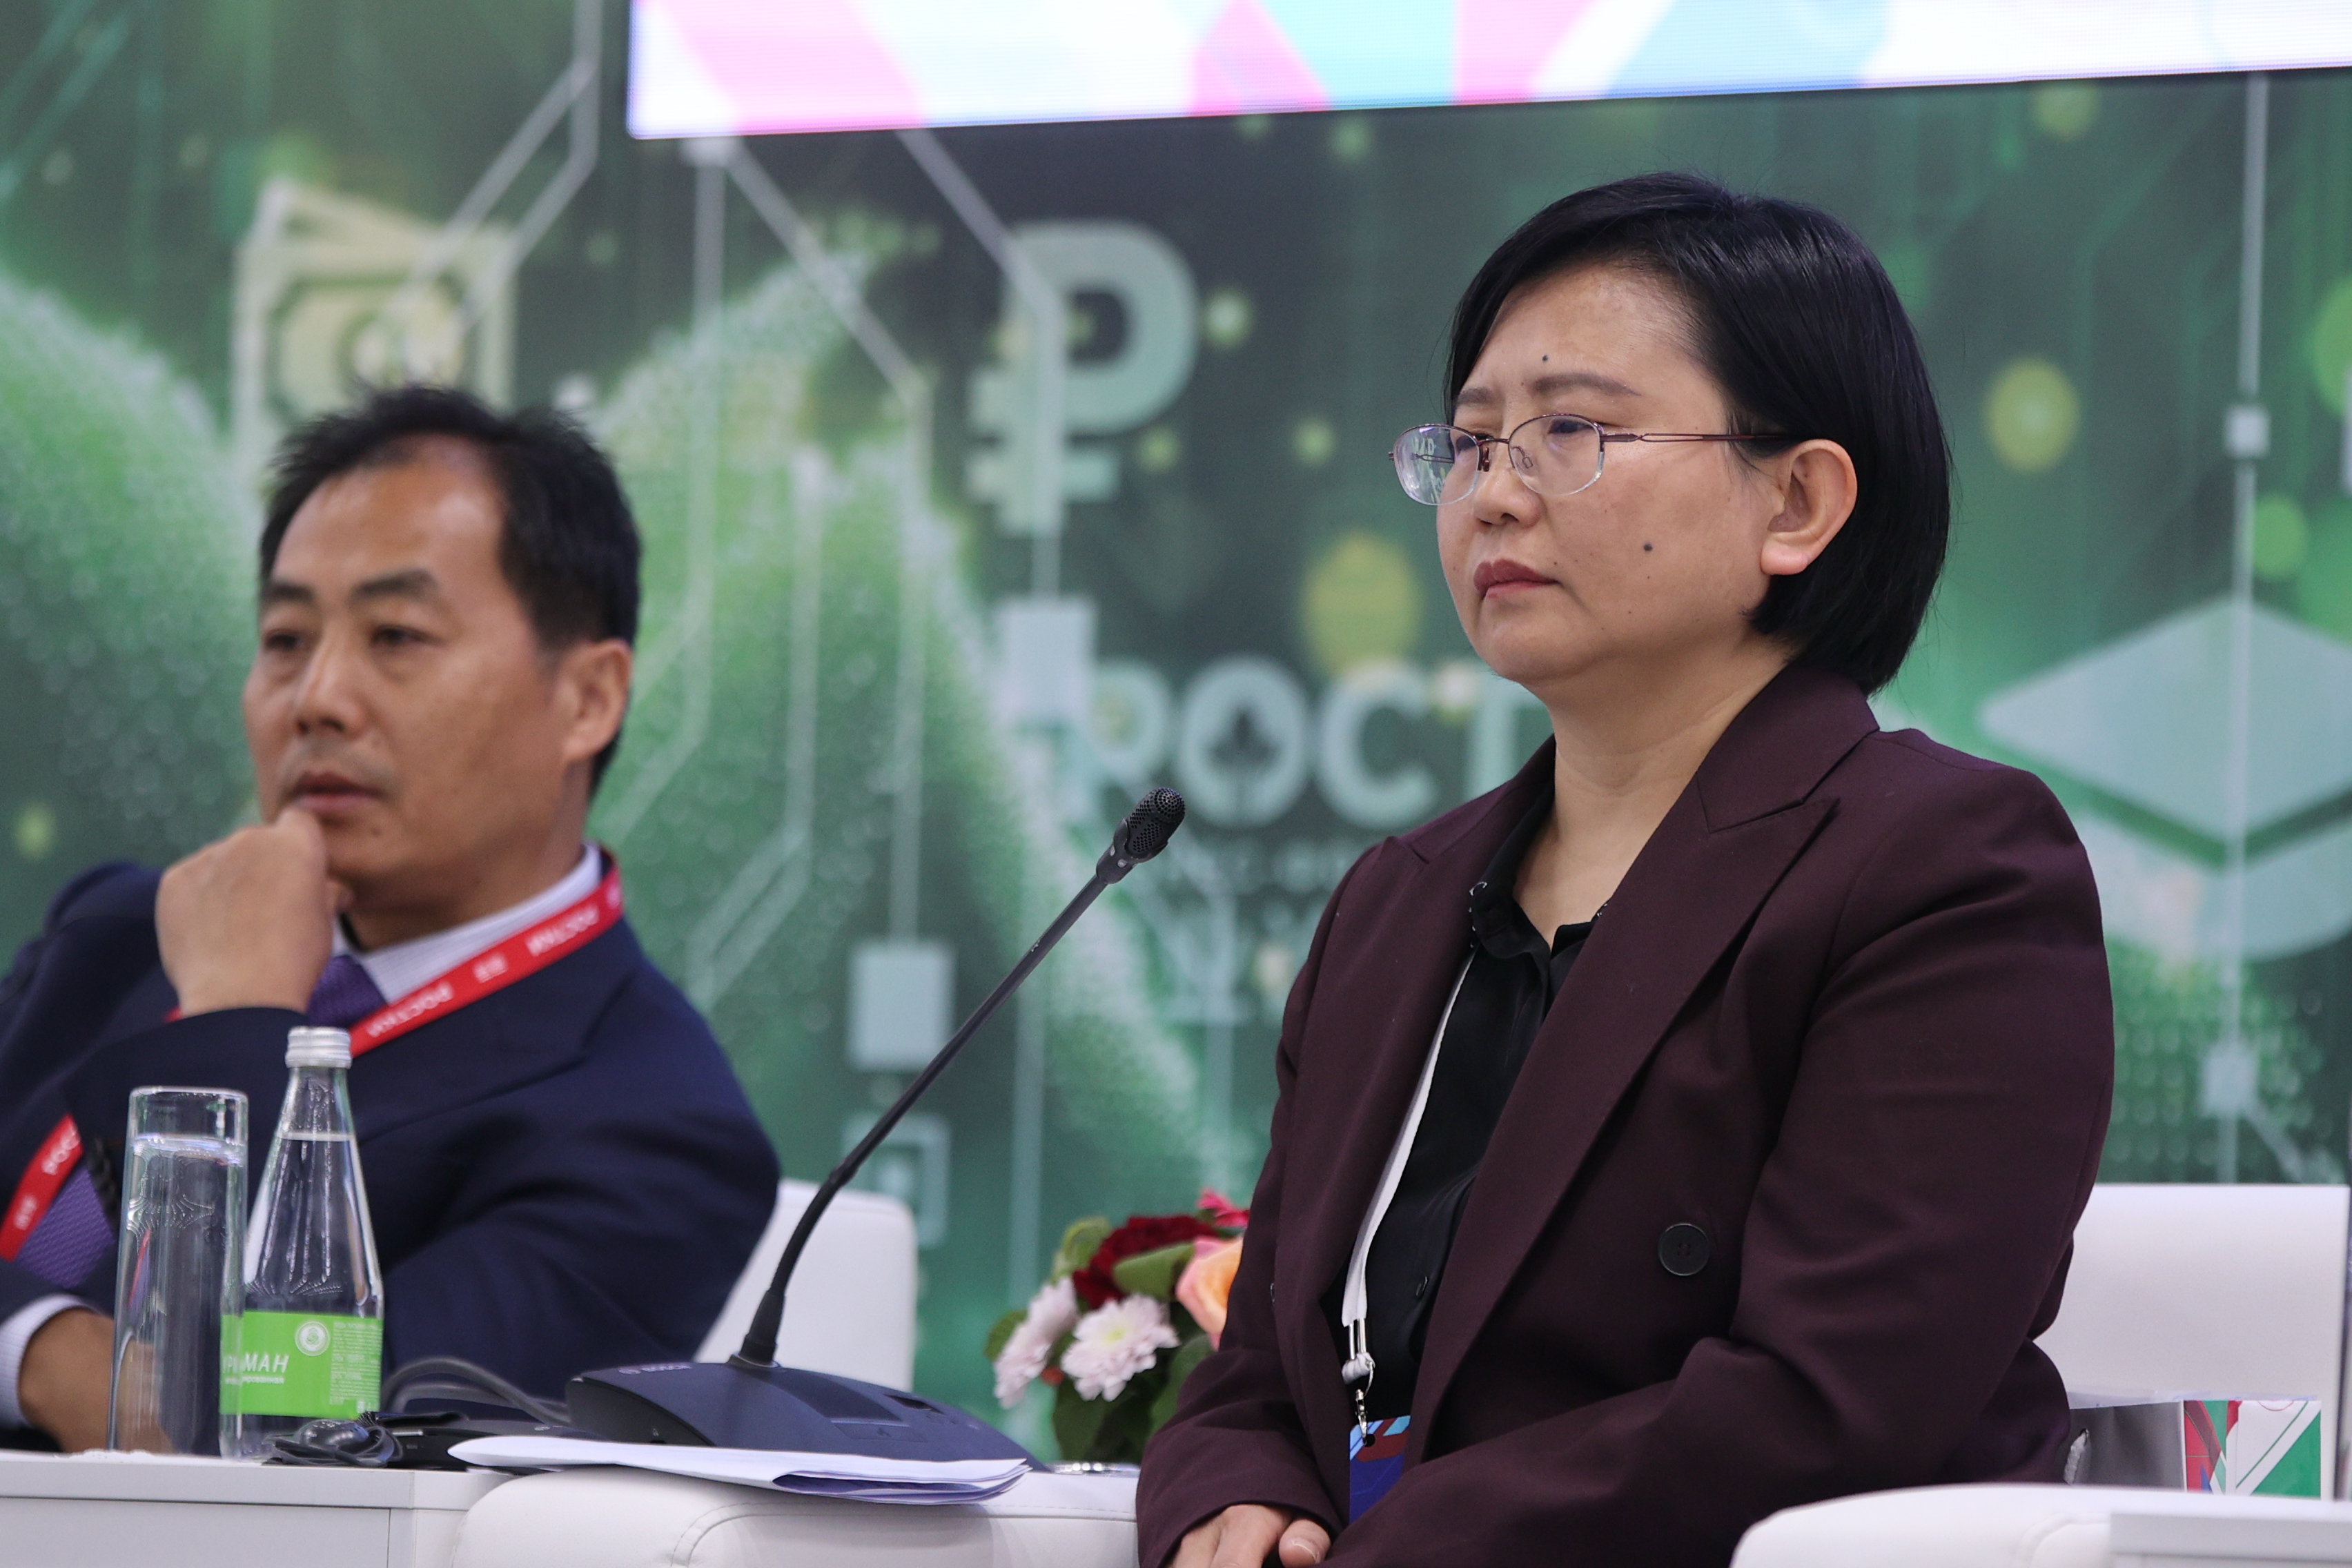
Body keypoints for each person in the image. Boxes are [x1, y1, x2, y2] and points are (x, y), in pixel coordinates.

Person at [1138, 174, 2113, 1567]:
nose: (1494, 494)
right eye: (1471, 442)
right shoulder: (1396, 902)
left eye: (1570, 431)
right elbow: (1265, 1372)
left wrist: (1390, 1548)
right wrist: (1232, 1489)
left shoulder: (1945, 869)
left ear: (1797, 502)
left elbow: (1833, 1405)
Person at [0, 384, 779, 1451]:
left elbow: (291, 1436)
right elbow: (120, 1394)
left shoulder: (659, 1136)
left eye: (397, 635)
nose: (317, 698)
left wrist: (234, 1013)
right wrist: (45, 1352)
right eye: (285, 638)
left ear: (588, 699)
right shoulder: (122, 931)